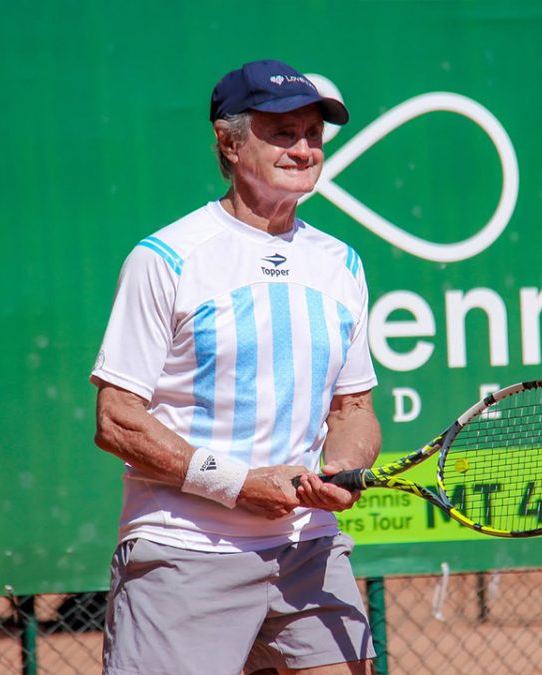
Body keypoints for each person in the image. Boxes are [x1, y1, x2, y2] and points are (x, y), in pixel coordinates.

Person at [89, 59, 382, 675]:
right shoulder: (166, 258)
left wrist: (344, 469)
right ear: (228, 141)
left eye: (313, 135)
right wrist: (240, 483)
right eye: (282, 133)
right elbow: (117, 420)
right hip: (186, 550)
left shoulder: (342, 264)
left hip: (308, 548)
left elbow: (353, 408)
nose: (303, 150)